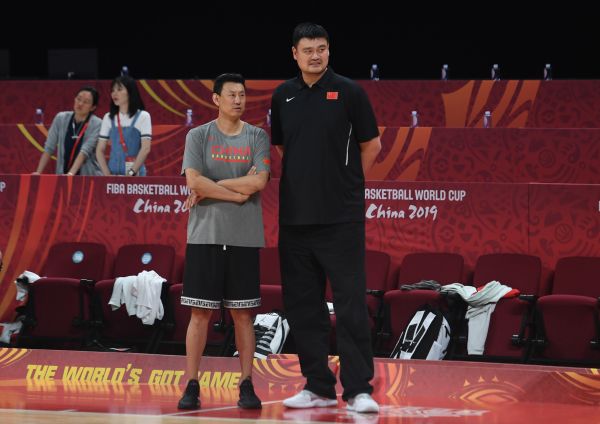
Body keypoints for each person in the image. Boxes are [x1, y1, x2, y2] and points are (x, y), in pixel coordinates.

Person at [270, 22, 382, 414]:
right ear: (295, 54)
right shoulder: (282, 95)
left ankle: (358, 390)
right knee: (304, 308)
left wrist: (346, 185)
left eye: (321, 48)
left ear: (329, 51)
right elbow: (283, 146)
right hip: (295, 220)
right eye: (308, 49)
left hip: (340, 220)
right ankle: (317, 386)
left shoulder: (350, 92)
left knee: (350, 305)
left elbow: (372, 145)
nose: (315, 55)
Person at [177, 73, 270, 410]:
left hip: (244, 237)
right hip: (206, 235)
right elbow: (193, 182)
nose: (238, 100)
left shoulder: (257, 136)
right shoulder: (198, 135)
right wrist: (235, 193)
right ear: (216, 99)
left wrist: (211, 186)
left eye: (242, 94)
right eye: (231, 94)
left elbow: (259, 182)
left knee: (243, 316)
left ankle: (246, 383)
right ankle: (191, 384)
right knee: (199, 313)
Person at [33, 87, 102, 176]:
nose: (80, 104)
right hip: (63, 176)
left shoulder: (97, 124)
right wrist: (38, 172)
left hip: (88, 177)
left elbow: (85, 151)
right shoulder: (61, 118)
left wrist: (70, 175)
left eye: (86, 102)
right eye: (79, 99)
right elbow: (49, 147)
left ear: (93, 107)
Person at [96, 75, 152, 176]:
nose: (114, 93)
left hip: (135, 175)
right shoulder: (108, 117)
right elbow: (99, 150)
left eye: (119, 89)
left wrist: (131, 173)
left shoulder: (143, 116)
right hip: (112, 174)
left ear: (130, 92)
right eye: (113, 90)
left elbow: (145, 149)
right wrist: (107, 175)